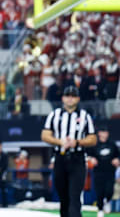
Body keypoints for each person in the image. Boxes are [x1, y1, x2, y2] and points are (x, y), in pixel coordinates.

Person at [41, 85, 97, 217]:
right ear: (63, 98)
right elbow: (45, 135)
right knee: (63, 197)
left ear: (78, 98)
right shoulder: (55, 115)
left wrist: (77, 142)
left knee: (75, 197)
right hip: (60, 158)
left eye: (73, 96)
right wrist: (60, 142)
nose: (70, 99)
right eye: (68, 96)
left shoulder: (84, 116)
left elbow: (93, 138)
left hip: (77, 159)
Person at [88, 124, 119, 217]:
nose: (105, 134)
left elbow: (118, 155)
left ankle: (108, 201)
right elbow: (87, 155)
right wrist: (91, 159)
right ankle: (100, 209)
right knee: (99, 191)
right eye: (103, 132)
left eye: (106, 132)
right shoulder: (94, 145)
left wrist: (117, 160)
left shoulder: (112, 144)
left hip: (110, 171)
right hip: (98, 172)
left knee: (110, 190)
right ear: (99, 133)